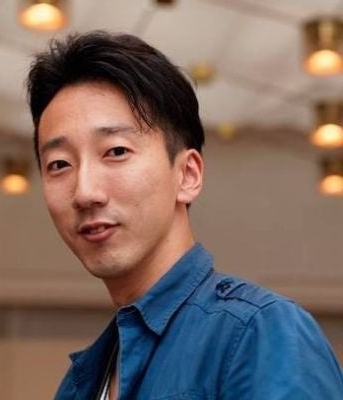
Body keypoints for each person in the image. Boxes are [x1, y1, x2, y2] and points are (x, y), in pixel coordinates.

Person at [27, 31, 343, 400]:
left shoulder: (257, 333)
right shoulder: (82, 381)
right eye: (59, 164)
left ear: (187, 175)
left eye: (116, 151)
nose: (85, 192)